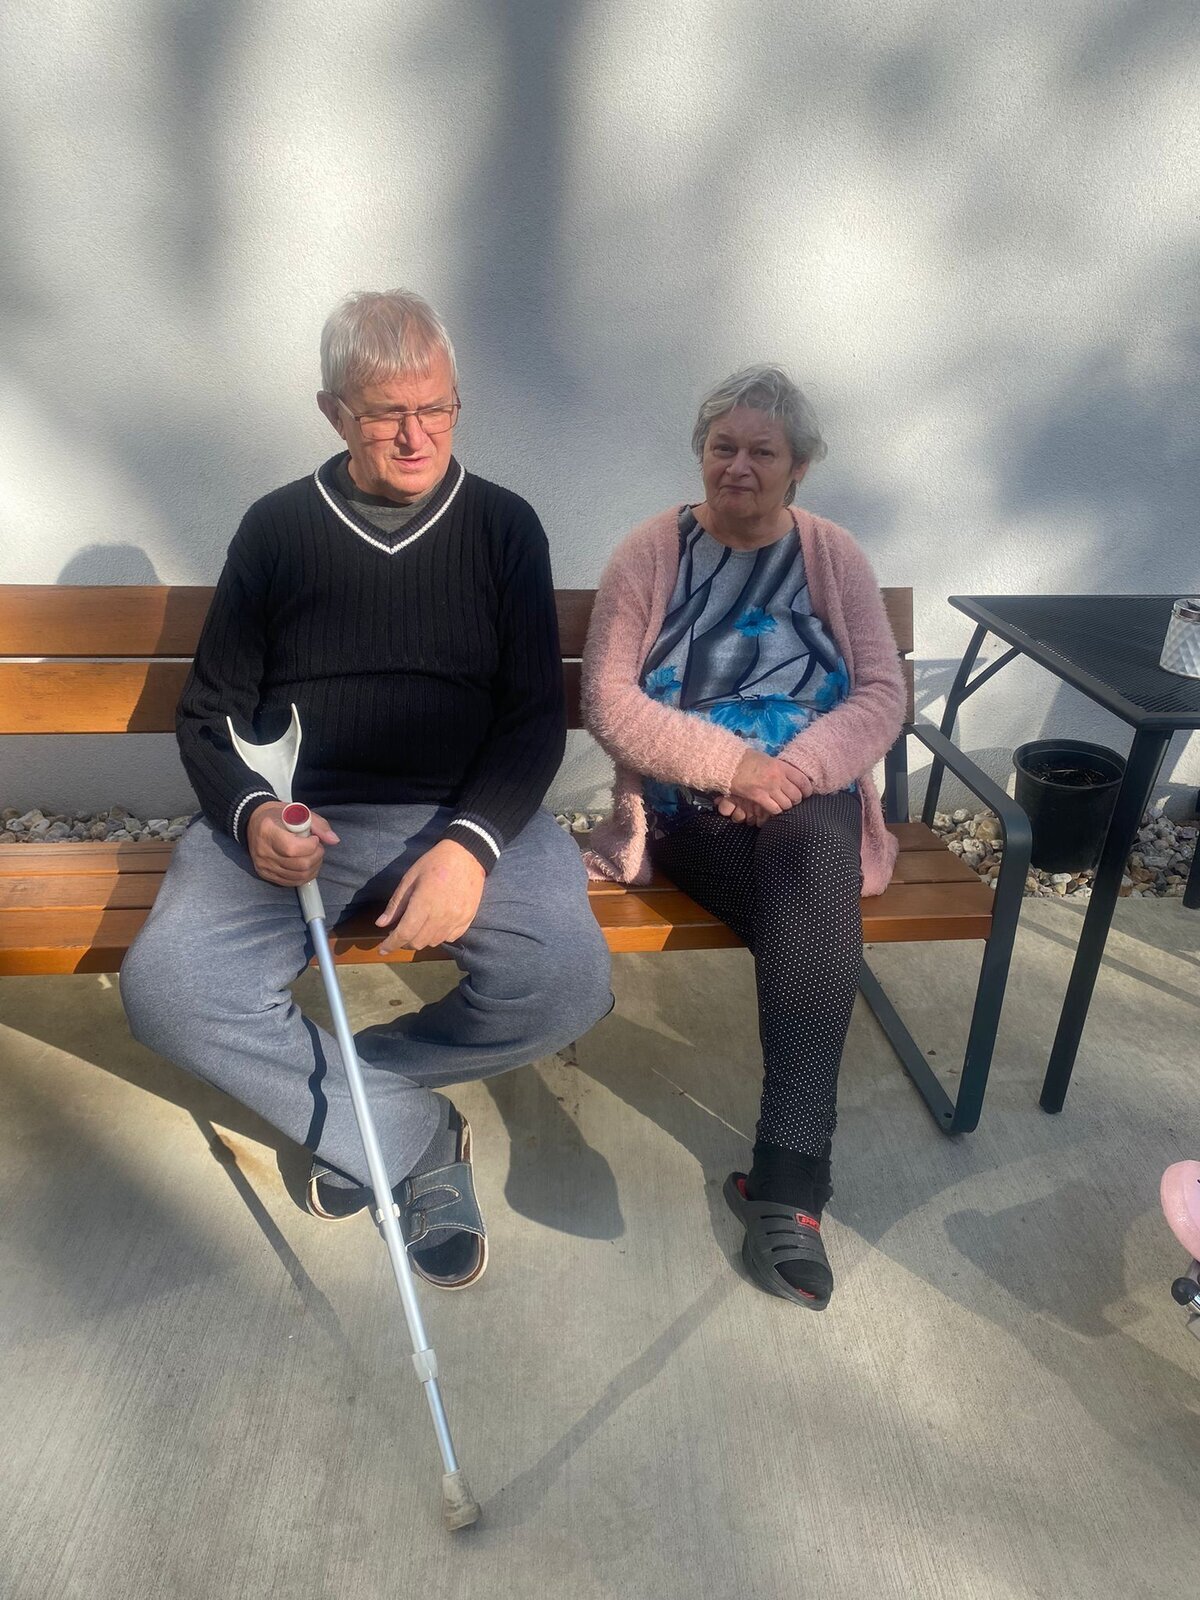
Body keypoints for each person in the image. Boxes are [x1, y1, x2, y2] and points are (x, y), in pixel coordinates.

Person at [122, 289, 611, 1290]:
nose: (417, 435)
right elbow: (210, 711)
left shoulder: (504, 527)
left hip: (464, 814)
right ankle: (407, 1133)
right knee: (168, 990)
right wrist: (254, 814)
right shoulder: (277, 529)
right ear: (333, 412)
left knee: (566, 982)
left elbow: (532, 719)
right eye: (388, 413)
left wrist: (471, 847)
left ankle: (348, 1099)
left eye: (437, 408)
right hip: (305, 823)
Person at [582, 364, 904, 1310]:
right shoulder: (650, 553)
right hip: (690, 810)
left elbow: (881, 694)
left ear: (799, 466)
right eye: (723, 447)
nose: (739, 467)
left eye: (763, 451)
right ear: (701, 455)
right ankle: (791, 1188)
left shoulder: (834, 556)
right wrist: (735, 770)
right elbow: (607, 699)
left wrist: (791, 773)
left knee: (813, 851)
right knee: (816, 906)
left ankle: (788, 1176)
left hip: (812, 794)